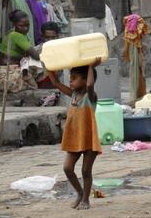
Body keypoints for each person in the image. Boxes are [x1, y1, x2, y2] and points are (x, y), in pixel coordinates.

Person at [48, 59, 102, 210]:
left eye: (74, 78)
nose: (70, 81)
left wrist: (91, 66)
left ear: (85, 80)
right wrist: (49, 66)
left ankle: (86, 199)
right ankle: (79, 192)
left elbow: (90, 85)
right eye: (70, 78)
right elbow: (56, 83)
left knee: (86, 171)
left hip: (89, 139)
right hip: (74, 138)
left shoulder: (91, 97)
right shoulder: (73, 94)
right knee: (67, 168)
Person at [0, 10, 43, 93]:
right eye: (21, 26)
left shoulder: (10, 33)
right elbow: (36, 56)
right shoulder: (17, 36)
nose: (25, 29)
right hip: (8, 79)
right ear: (14, 24)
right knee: (40, 64)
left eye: (27, 25)